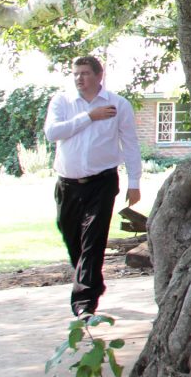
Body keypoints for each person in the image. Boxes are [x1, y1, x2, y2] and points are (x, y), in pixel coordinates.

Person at [41, 55, 140, 318]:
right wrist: (89, 117)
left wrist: (134, 182)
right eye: (75, 73)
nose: (79, 78)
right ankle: (93, 283)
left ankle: (84, 303)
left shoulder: (118, 105)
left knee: (93, 241)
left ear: (99, 76)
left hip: (102, 182)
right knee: (71, 236)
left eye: (84, 73)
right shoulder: (62, 101)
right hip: (67, 184)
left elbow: (130, 144)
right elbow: (52, 133)